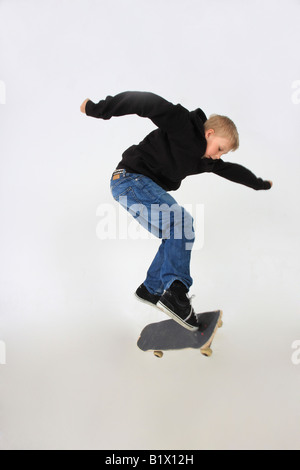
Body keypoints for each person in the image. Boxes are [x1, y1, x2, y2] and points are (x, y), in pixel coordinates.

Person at [80, 91, 272, 331]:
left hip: (134, 188)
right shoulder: (183, 124)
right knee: (182, 222)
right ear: (209, 133)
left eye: (223, 154)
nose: (218, 156)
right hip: (130, 178)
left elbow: (230, 170)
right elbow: (146, 103)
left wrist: (258, 183)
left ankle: (151, 289)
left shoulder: (206, 160)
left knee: (175, 232)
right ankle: (176, 293)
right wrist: (99, 109)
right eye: (220, 148)